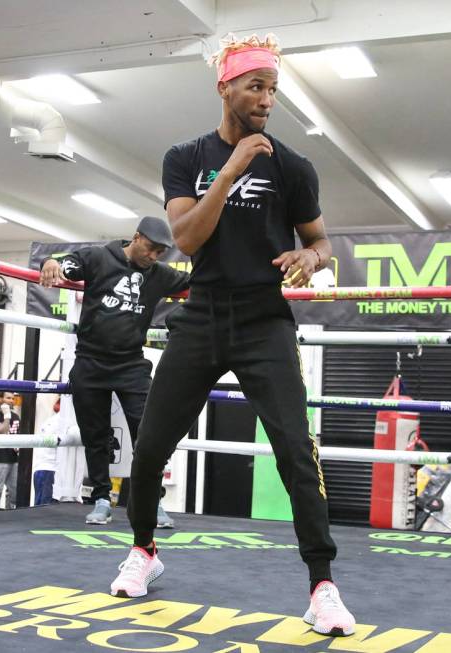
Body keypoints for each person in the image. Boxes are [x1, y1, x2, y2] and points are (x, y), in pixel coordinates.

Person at [110, 34, 355, 637]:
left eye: (272, 89)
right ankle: (144, 549)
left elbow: (323, 241)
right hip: (200, 316)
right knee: (148, 450)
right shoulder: (185, 157)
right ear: (225, 88)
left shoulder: (295, 167)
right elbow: (187, 239)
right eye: (256, 87)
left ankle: (322, 585)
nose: (267, 100)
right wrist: (232, 168)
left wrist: (312, 259)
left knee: (298, 453)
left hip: (263, 320)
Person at [39, 216, 190, 526]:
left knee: (150, 433)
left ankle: (150, 501)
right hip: (91, 362)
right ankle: (101, 498)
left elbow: (198, 282)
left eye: (160, 253)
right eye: (150, 249)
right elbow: (67, 264)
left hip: (131, 365)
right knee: (95, 436)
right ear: (136, 238)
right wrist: (48, 261)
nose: (153, 257)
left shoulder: (159, 275)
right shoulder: (99, 257)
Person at [0, 391, 20, 510]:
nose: (11, 401)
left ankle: (10, 516)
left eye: (12, 398)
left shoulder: (16, 417)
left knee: (15, 491)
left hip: (14, 458)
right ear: (0, 399)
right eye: (8, 398)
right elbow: (1, 430)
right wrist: (6, 416)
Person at [33, 396, 61, 506]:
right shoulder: (58, 421)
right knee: (44, 509)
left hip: (46, 469)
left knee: (43, 508)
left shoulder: (53, 420)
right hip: (48, 469)